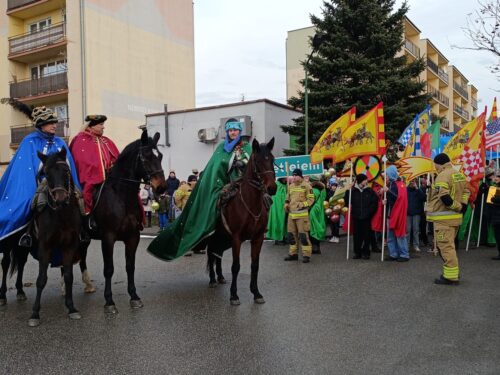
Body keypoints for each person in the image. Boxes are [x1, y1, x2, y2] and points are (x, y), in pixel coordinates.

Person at [147, 120, 252, 260]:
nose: (233, 132)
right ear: (227, 132)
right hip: (222, 184)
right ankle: (203, 230)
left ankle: (258, 226)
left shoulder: (246, 146)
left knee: (260, 198)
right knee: (211, 205)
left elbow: (250, 162)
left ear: (240, 131)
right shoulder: (221, 147)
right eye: (230, 130)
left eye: (235, 130)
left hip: (241, 182)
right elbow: (213, 168)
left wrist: (242, 163)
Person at [0, 101, 81, 245]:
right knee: (31, 203)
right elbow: (24, 169)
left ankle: (82, 234)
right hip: (38, 181)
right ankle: (27, 234)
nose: (55, 125)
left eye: (55, 123)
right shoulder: (29, 141)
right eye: (51, 123)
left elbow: (68, 165)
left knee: (80, 202)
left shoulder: (60, 142)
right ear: (41, 125)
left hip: (61, 182)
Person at [426, 153, 469, 285]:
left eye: (435, 165)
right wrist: (463, 207)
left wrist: (456, 207)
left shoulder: (443, 175)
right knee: (450, 247)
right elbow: (466, 191)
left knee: (446, 248)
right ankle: (452, 273)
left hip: (444, 219)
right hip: (455, 219)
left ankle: (450, 277)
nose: (435, 167)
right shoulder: (459, 174)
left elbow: (444, 196)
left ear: (439, 164)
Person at [69, 114, 120, 225]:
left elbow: (117, 159)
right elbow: (81, 162)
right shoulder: (80, 140)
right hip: (90, 177)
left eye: (103, 124)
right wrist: (98, 171)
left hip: (111, 178)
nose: (103, 127)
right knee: (88, 191)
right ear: (91, 126)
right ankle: (88, 217)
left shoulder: (106, 141)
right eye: (101, 124)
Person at [284, 168, 315, 263]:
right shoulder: (290, 186)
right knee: (291, 236)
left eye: (295, 175)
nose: (293, 177)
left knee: (303, 236)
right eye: (292, 175)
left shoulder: (307, 186)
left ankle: (306, 255)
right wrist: (286, 204)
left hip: (302, 216)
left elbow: (311, 200)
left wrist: (302, 205)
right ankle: (293, 254)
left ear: (300, 176)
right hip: (291, 216)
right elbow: (287, 198)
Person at [345, 174, 377, 260]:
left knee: (367, 236)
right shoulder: (353, 191)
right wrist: (349, 189)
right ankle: (357, 252)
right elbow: (347, 201)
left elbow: (374, 203)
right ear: (360, 181)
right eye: (365, 180)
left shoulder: (370, 191)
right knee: (357, 236)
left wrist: (369, 213)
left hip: (366, 218)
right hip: (356, 217)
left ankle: (366, 253)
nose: (366, 181)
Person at [384, 165, 409, 262]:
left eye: (386, 174)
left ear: (390, 174)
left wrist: (388, 192)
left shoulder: (397, 184)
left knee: (399, 234)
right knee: (391, 235)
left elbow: (398, 198)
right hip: (392, 213)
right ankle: (393, 254)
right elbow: (395, 198)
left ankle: (404, 254)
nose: (385, 176)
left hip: (397, 213)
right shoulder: (395, 184)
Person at [406, 179, 426, 252]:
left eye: (414, 181)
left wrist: (417, 188)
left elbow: (424, 198)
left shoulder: (419, 190)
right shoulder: (406, 190)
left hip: (416, 213)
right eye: (411, 181)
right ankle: (406, 246)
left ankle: (416, 245)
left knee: (416, 230)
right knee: (407, 230)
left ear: (416, 182)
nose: (412, 183)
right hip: (407, 213)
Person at [266, 177, 288, 245]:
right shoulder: (276, 185)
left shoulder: (286, 185)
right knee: (278, 221)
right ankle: (278, 239)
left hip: (284, 207)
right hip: (277, 207)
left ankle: (283, 237)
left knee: (284, 222)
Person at [309, 175, 327, 254]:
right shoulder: (323, 189)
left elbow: (310, 201)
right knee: (318, 226)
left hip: (313, 210)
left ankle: (314, 247)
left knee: (313, 228)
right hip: (320, 210)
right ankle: (317, 247)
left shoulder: (313, 190)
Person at [486, 170, 500, 260]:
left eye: (497, 177)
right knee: (498, 236)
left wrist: (494, 199)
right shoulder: (495, 187)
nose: (495, 178)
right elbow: (490, 201)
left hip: (498, 216)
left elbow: (495, 200)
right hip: (496, 216)